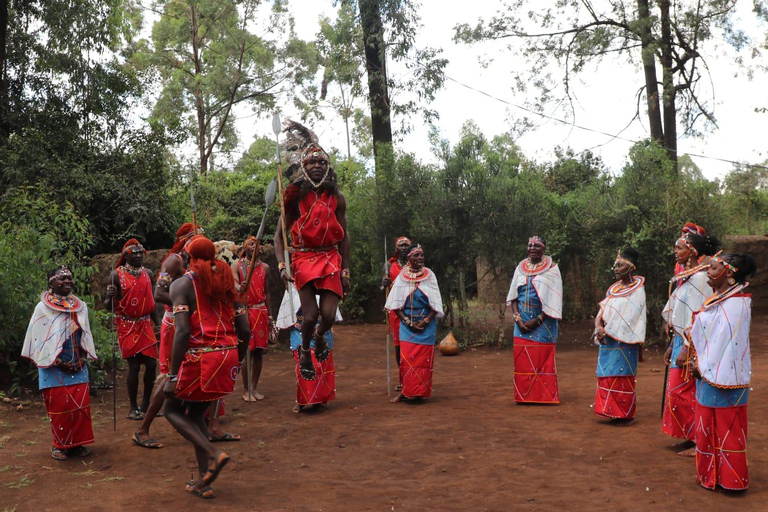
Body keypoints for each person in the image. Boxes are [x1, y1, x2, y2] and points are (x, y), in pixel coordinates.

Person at [163, 235, 249, 499]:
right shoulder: (226, 279)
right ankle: (205, 482)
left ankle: (214, 454)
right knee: (197, 416)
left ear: (187, 257)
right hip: (228, 355)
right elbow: (244, 328)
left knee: (171, 411)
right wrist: (238, 359)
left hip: (202, 358)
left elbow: (183, 331)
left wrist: (173, 374)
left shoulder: (182, 284)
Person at [274, 135, 350, 382]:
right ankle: (305, 350)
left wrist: (345, 271)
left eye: (321, 162)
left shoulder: (336, 197)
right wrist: (282, 265)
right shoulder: (293, 197)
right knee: (309, 316)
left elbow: (345, 238)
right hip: (304, 258)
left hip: (330, 257)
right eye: (311, 162)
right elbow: (279, 237)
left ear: (327, 167)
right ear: (303, 167)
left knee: (327, 316)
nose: (317, 165)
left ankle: (319, 337)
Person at [687, 252, 756, 491]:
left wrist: (701, 365)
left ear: (729, 274)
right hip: (709, 373)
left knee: (728, 429)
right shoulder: (722, 300)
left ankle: (731, 480)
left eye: (714, 268)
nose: (708, 271)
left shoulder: (736, 304)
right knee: (707, 427)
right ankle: (712, 476)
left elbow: (725, 343)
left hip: (721, 375)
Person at [133, 223, 200, 449]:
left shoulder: (199, 263)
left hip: (192, 324)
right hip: (175, 326)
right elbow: (159, 293)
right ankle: (142, 429)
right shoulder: (175, 261)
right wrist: (186, 303)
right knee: (170, 376)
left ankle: (204, 424)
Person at [22, 266, 97, 460]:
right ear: (51, 283)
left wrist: (81, 359)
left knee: (80, 408)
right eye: (62, 278)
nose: (67, 281)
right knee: (60, 409)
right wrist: (59, 363)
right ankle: (60, 446)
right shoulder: (42, 308)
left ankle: (77, 444)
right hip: (53, 367)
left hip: (78, 364)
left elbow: (84, 335)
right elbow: (40, 341)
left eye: (70, 278)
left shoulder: (80, 306)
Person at [661, 232, 719, 455]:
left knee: (688, 392)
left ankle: (700, 442)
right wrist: (672, 343)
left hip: (693, 345)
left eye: (679, 248)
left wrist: (687, 347)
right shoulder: (687, 276)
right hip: (680, 342)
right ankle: (690, 435)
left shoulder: (702, 279)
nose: (675, 252)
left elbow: (699, 316)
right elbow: (678, 313)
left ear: (692, 251)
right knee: (678, 392)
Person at [104, 239, 160, 420]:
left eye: (140, 253)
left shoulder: (148, 273)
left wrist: (157, 324)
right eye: (134, 253)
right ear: (126, 255)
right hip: (127, 324)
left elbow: (151, 302)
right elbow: (107, 306)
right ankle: (132, 407)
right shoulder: (116, 275)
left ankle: (146, 404)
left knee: (151, 364)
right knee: (134, 366)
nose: (138, 256)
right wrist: (109, 297)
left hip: (145, 324)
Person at [506, 236, 563, 404]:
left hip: (544, 321)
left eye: (536, 245)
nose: (532, 248)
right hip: (521, 320)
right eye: (529, 245)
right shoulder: (520, 268)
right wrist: (518, 319)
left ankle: (543, 396)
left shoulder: (552, 269)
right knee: (523, 358)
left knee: (542, 358)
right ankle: (524, 396)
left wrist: (537, 320)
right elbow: (513, 296)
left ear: (543, 248)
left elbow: (554, 300)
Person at [593, 248, 646, 425]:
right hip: (607, 339)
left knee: (620, 375)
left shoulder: (638, 291)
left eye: (620, 265)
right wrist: (598, 326)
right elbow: (603, 310)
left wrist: (606, 331)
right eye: (615, 265)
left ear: (632, 268)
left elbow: (631, 317)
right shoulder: (613, 289)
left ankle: (624, 413)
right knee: (606, 373)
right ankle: (608, 410)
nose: (616, 268)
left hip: (624, 341)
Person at [385, 244, 444, 403]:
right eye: (416, 255)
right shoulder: (402, 276)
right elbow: (396, 304)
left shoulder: (430, 275)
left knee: (423, 361)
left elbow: (436, 303)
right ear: (409, 258)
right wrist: (408, 322)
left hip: (427, 324)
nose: (421, 258)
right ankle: (405, 392)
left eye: (422, 255)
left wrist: (425, 321)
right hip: (407, 324)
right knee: (406, 359)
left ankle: (421, 391)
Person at [276, 286, 341, 412]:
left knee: (321, 361)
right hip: (299, 329)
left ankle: (318, 399)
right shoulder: (294, 283)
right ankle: (302, 401)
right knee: (303, 362)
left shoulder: (325, 281)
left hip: (321, 328)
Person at [232, 235, 272, 402]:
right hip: (245, 311)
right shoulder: (237, 266)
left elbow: (267, 292)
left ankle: (254, 387)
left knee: (259, 353)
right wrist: (238, 286)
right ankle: (246, 390)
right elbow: (233, 284)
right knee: (247, 350)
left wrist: (270, 314)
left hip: (260, 311)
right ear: (244, 248)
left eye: (256, 244)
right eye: (250, 244)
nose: (253, 246)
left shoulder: (265, 267)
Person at [381, 236, 411, 390]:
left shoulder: (415, 264)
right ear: (397, 248)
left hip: (412, 308)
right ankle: (402, 380)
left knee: (411, 344)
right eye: (401, 245)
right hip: (396, 310)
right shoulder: (389, 265)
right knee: (399, 346)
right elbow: (382, 287)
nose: (404, 248)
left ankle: (411, 378)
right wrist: (384, 284)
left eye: (407, 245)